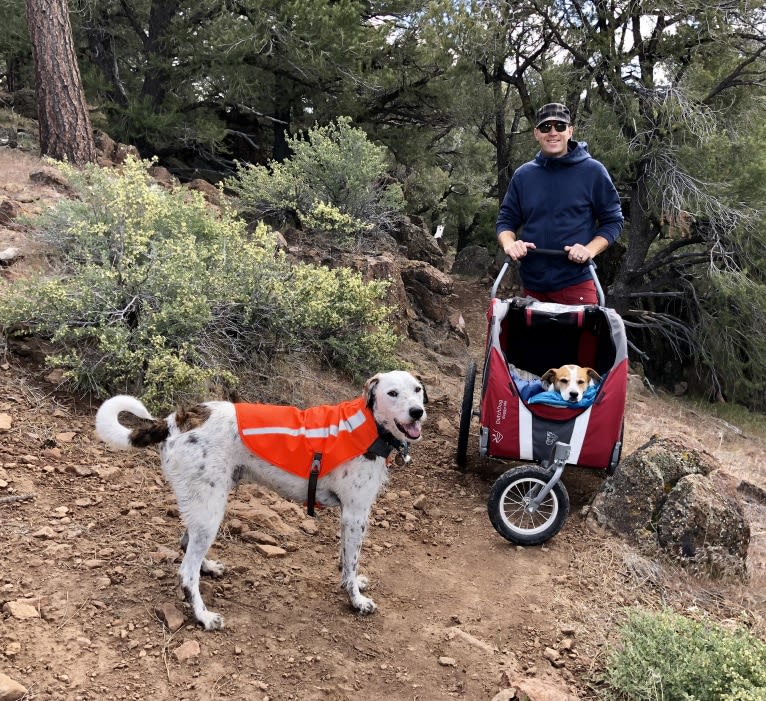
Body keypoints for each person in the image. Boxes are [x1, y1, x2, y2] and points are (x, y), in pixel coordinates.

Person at [496, 102, 624, 304]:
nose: (553, 132)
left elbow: (613, 221)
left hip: (577, 284)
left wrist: (589, 250)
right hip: (531, 285)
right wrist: (510, 244)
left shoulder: (593, 171)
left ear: (570, 131)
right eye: (546, 127)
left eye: (560, 126)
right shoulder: (523, 175)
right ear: (536, 133)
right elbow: (505, 221)